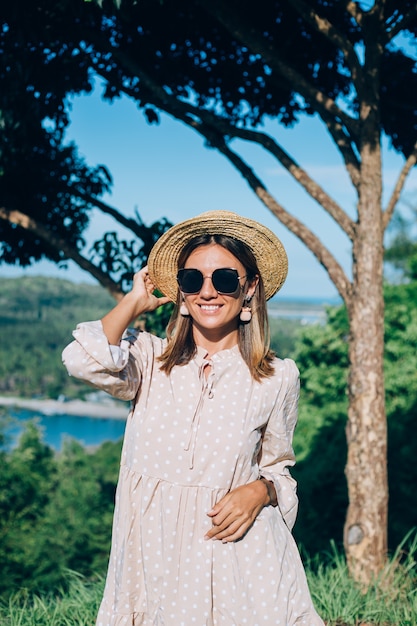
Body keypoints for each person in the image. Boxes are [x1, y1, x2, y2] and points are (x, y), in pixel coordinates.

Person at [62, 210, 324, 626]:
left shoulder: (276, 377)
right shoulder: (148, 359)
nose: (207, 292)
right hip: (152, 561)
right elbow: (82, 360)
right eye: (191, 280)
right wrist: (134, 301)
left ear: (249, 287)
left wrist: (260, 491)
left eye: (224, 279)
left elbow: (280, 471)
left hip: (238, 560)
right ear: (181, 292)